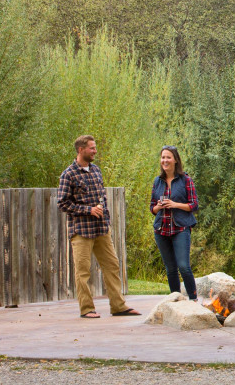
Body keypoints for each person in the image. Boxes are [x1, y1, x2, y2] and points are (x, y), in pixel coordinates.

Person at [57, 135, 141, 318]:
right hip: (81, 231)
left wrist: (105, 216)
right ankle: (87, 309)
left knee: (112, 265)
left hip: (102, 229)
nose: (95, 151)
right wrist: (88, 210)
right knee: (83, 272)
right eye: (92, 148)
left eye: (95, 148)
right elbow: (62, 203)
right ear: (81, 150)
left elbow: (102, 197)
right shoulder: (68, 174)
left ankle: (118, 306)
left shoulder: (96, 170)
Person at [150, 145, 198, 300]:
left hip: (180, 228)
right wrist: (159, 206)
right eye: (163, 157)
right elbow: (152, 209)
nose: (165, 160)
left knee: (183, 266)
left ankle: (193, 299)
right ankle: (176, 300)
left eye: (168, 157)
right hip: (161, 229)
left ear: (175, 160)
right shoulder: (157, 181)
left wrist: (175, 204)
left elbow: (194, 205)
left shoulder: (186, 180)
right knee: (170, 268)